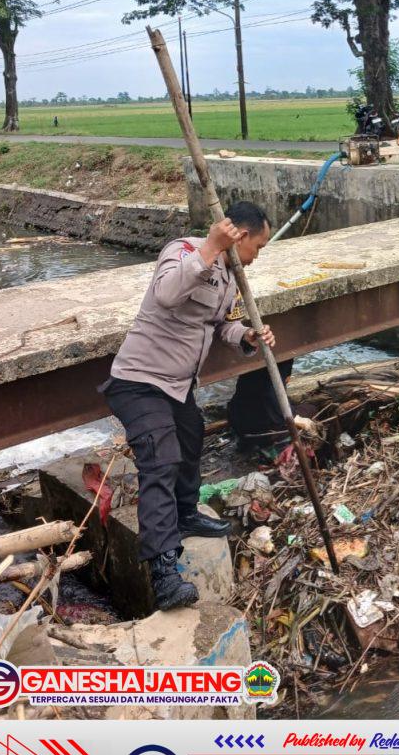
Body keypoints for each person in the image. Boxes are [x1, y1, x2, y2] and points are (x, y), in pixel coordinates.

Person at [100, 201, 275, 611]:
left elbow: (218, 324)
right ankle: (163, 573)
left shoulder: (230, 278)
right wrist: (210, 248)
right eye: (258, 247)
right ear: (240, 235)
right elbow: (166, 294)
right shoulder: (184, 251)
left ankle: (185, 512)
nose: (256, 257)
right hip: (140, 381)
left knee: (191, 438)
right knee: (160, 461)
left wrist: (246, 336)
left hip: (177, 386)